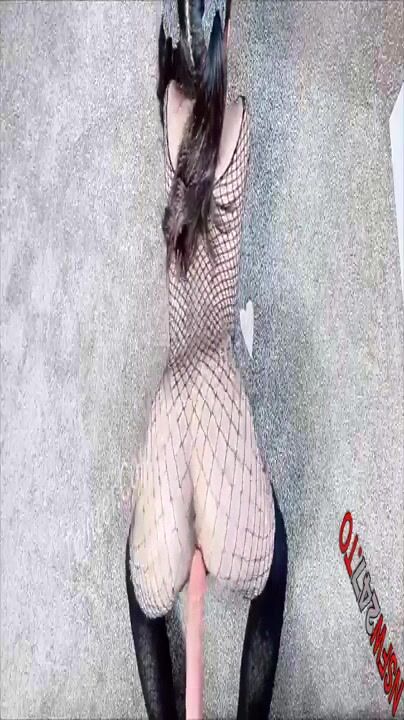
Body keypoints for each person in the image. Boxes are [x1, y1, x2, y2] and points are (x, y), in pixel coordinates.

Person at [125, 1, 288, 717]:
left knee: (143, 596)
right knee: (271, 575)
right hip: (213, 382)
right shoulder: (242, 123)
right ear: (227, 38)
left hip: (177, 395)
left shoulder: (169, 107)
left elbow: (184, 89)